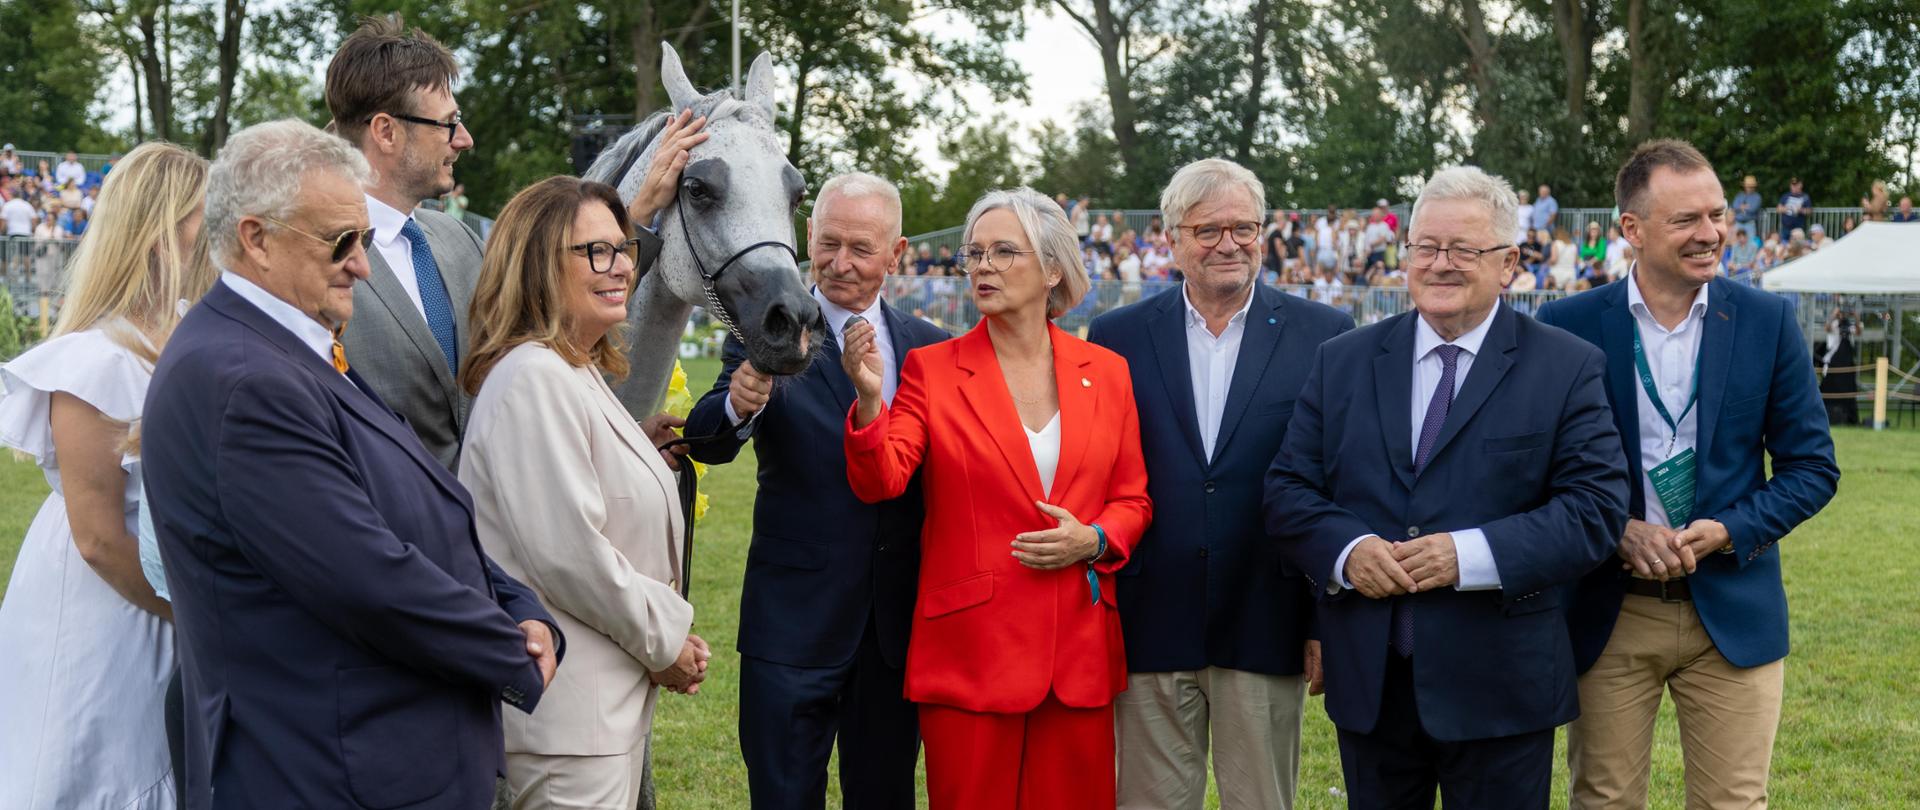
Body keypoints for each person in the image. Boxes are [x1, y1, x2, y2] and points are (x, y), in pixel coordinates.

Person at [141, 119, 563, 809]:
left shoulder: (287, 345)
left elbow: (410, 511)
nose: (362, 265)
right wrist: (509, 645)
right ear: (256, 238)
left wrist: (521, 604)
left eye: (364, 239)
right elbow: (364, 576)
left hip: (370, 757)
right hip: (328, 770)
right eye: (341, 242)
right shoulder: (244, 377)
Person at [1264, 165, 1630, 808]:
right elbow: (1289, 489)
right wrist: (1348, 554)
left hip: (1502, 685)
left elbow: (1595, 511)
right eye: (1426, 247)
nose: (1441, 264)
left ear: (1509, 262)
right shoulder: (1343, 361)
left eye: (1464, 249)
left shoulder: (1565, 367)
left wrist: (1466, 556)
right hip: (1373, 681)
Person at [1536, 139, 1840, 810]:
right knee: (1604, 800)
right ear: (1632, 230)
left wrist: (1728, 530)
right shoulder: (1566, 327)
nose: (1710, 234)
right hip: (1607, 611)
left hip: (1733, 609)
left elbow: (1812, 467)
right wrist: (1615, 529)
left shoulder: (1767, 321)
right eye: (1686, 220)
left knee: (1732, 803)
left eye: (1718, 214)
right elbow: (1537, 471)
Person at [841, 186, 1151, 809]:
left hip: (1079, 654)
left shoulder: (1107, 371)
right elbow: (884, 478)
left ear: (1054, 269)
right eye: (974, 253)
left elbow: (1133, 500)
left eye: (1004, 251)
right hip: (970, 653)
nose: (983, 265)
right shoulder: (933, 368)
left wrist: (1092, 539)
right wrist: (870, 401)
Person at [1088, 159, 1353, 810]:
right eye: (1208, 230)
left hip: (1266, 616)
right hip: (1151, 619)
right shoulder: (1116, 337)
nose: (1228, 243)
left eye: (1244, 227)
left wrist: (1324, 619)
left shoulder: (1324, 337)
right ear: (1172, 238)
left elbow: (1335, 486)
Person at [683, 172, 948, 810]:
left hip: (894, 630)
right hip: (792, 626)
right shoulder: (764, 332)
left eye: (861, 248)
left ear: (898, 253)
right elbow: (708, 440)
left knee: (884, 795)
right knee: (782, 796)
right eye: (828, 243)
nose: (840, 262)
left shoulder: (933, 350)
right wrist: (738, 408)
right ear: (808, 236)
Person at [457, 176, 704, 808]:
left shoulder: (572, 367)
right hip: (568, 727)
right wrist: (666, 642)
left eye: (622, 248)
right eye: (596, 251)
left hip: (596, 715)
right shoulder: (533, 376)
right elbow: (571, 556)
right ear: (539, 263)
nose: (621, 265)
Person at [0, 142, 214, 810]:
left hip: (166, 588)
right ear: (161, 230)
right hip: (107, 601)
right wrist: (197, 616)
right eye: (204, 215)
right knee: (102, 761)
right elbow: (95, 535)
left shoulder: (190, 332)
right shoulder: (91, 360)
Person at [325, 18, 483, 468]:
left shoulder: (460, 240)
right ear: (386, 131)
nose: (464, 140)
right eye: (448, 123)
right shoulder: (313, 261)